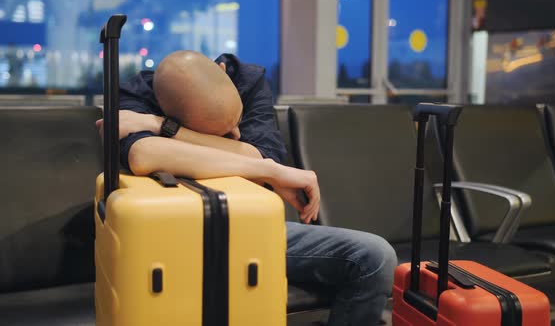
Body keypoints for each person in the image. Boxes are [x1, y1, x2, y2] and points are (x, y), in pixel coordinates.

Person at [95, 50, 397, 325]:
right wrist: (267, 170)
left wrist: (161, 127)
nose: (236, 133)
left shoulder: (247, 81)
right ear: (167, 107)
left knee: (374, 257)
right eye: (225, 132)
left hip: (252, 227)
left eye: (236, 122)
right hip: (169, 234)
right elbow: (144, 155)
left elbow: (258, 154)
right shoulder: (133, 96)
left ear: (223, 71)